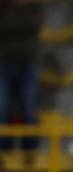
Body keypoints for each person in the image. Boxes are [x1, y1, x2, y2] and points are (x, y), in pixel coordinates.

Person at [0, 0, 42, 158]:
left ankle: (29, 154)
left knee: (29, 111)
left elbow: (33, 26)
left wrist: (11, 26)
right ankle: (4, 153)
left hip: (27, 65)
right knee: (2, 111)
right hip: (3, 65)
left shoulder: (34, 6)